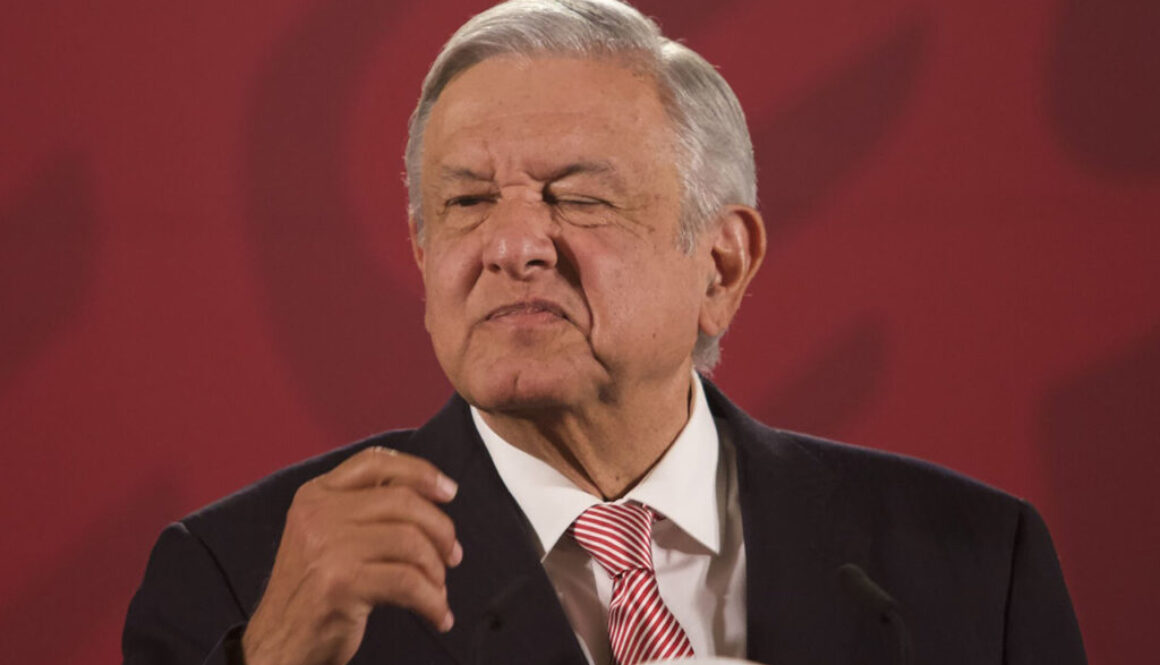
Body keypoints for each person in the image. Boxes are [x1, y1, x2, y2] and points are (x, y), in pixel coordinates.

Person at [122, 1, 1086, 664]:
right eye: (464, 203)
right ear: (422, 254)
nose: (510, 244)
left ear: (721, 263)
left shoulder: (967, 565)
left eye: (575, 196)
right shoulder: (245, 582)